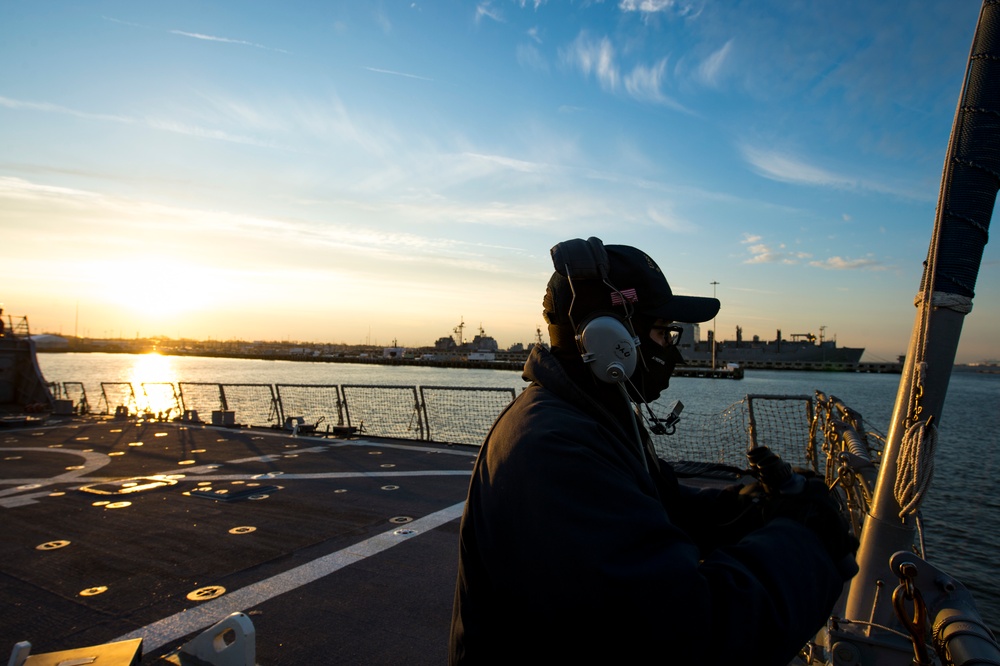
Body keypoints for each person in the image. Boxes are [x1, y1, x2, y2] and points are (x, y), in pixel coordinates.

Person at [450, 237, 857, 665]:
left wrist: (751, 508)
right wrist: (807, 542)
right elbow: (688, 635)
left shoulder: (591, 417)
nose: (673, 349)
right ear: (610, 340)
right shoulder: (554, 450)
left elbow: (658, 503)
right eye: (663, 333)